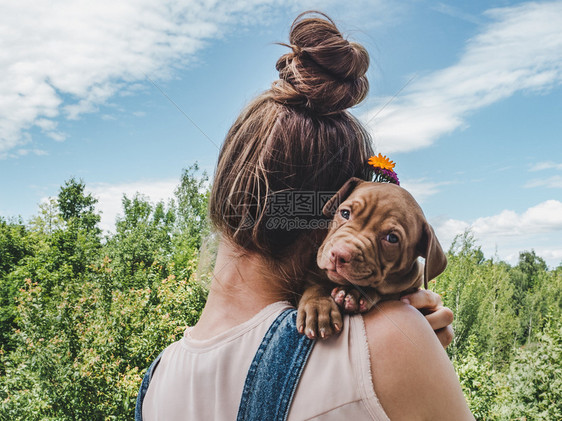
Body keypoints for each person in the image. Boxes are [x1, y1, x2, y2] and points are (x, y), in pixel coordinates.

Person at [138, 11, 473, 420]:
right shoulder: (380, 344)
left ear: (221, 191)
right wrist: (412, 348)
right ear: (322, 222)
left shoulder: (157, 379)